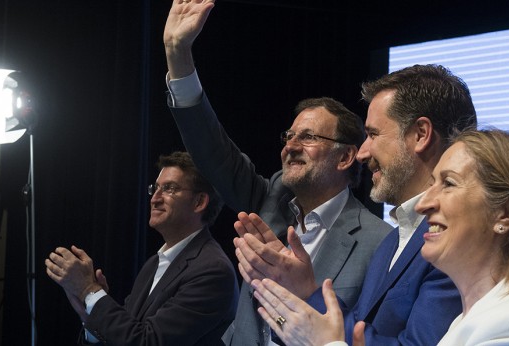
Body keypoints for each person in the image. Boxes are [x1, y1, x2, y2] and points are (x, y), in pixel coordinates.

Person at [162, 1, 393, 345]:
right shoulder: (269, 199)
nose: (291, 146)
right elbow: (212, 150)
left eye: (309, 137)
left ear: (346, 157)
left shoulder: (379, 242)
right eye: (289, 136)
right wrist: (178, 56)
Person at [252, 129, 509, 346]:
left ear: (507, 213)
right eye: (433, 183)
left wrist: (327, 344)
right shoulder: (469, 322)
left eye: (449, 183)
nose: (425, 202)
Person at [234, 64, 477, 345]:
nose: (363, 152)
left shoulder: (457, 239)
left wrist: (310, 300)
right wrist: (298, 293)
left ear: (421, 134)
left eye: (373, 135)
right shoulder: (391, 244)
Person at [45, 151, 239, 345]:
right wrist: (89, 313)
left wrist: (90, 290)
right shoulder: (153, 264)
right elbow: (128, 335)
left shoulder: (213, 271)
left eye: (169, 188)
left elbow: (148, 341)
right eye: (155, 188)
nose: (155, 198)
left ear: (199, 202)